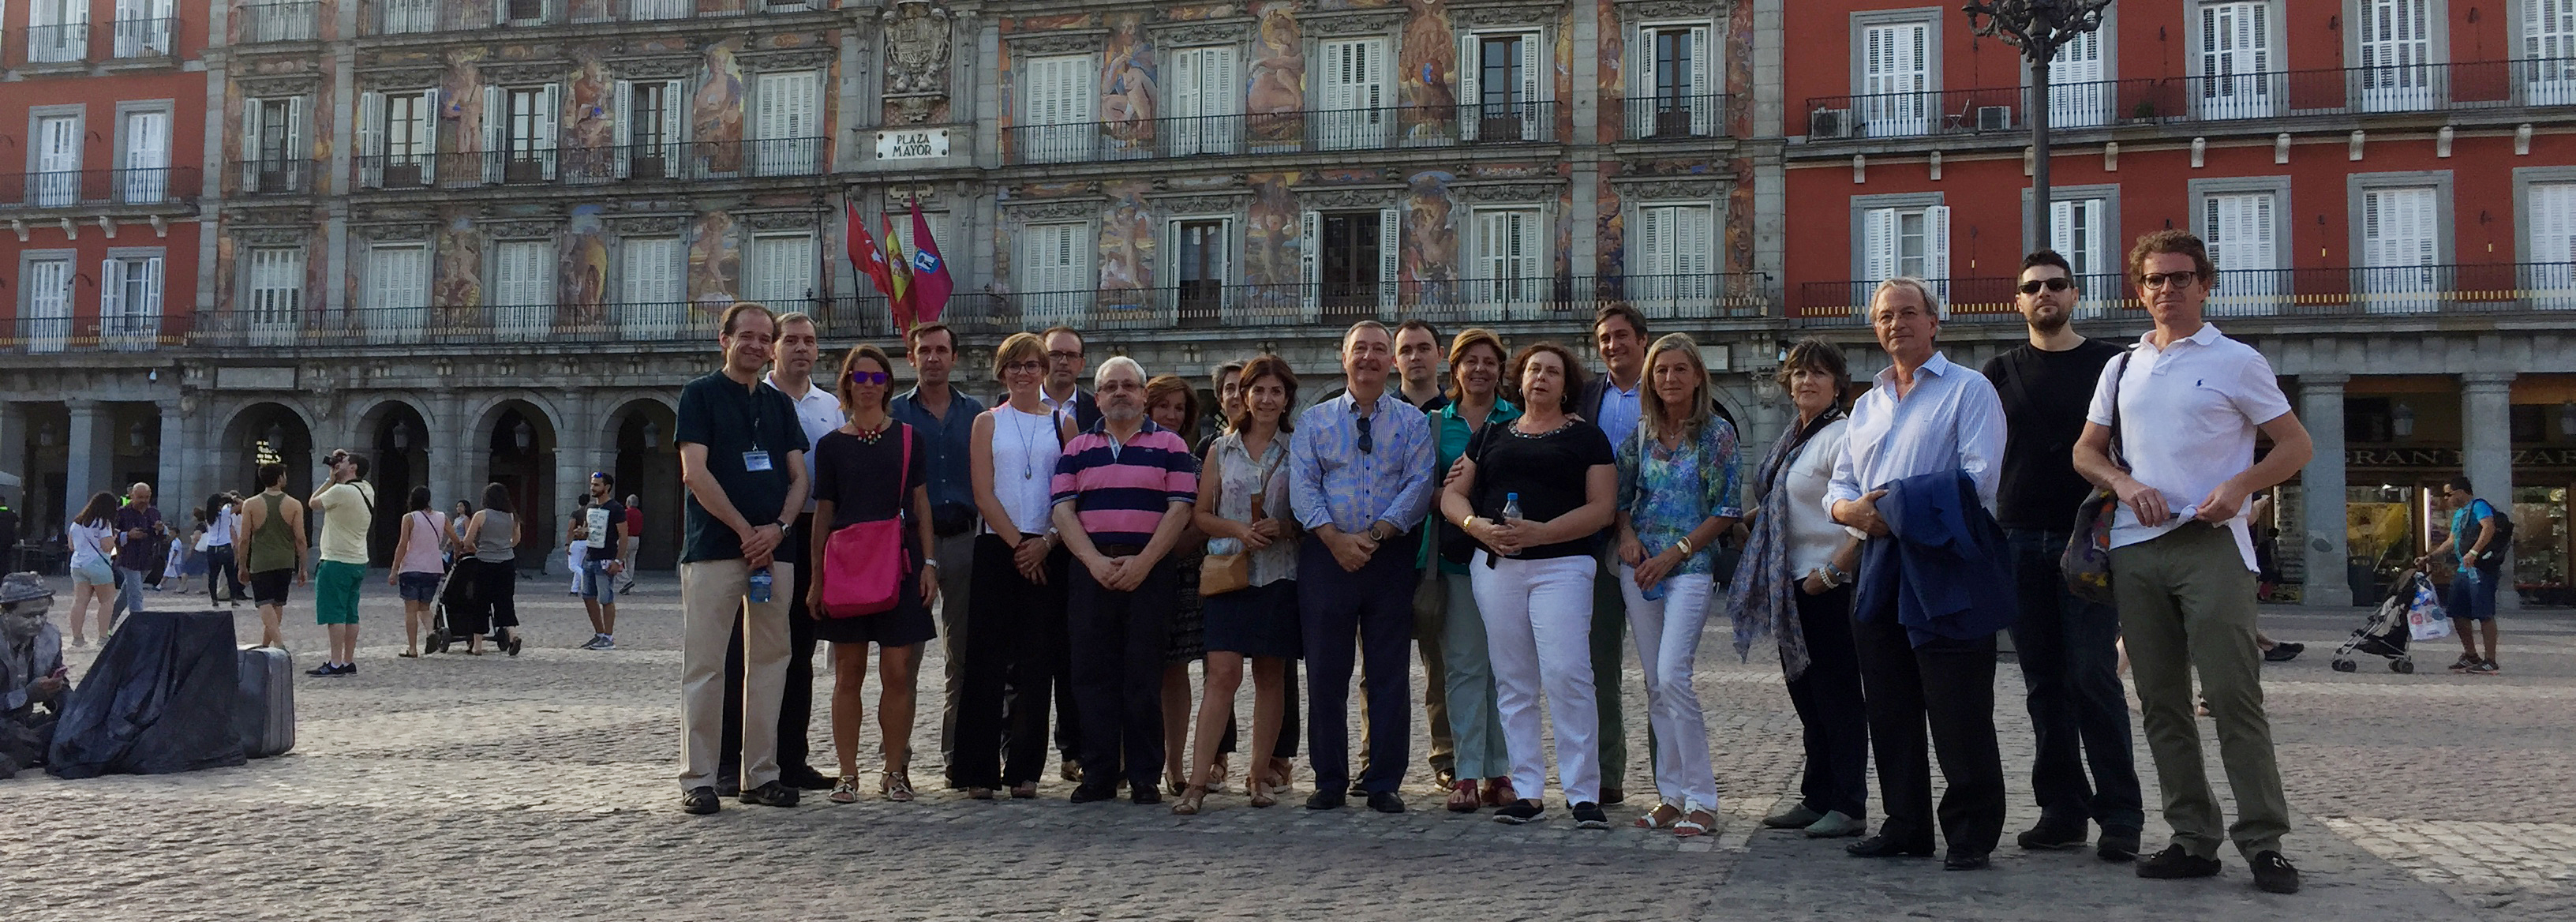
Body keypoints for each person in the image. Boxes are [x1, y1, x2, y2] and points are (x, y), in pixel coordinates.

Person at [2074, 230, 2315, 894]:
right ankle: (2192, 838)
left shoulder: (2237, 360)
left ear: (2204, 285)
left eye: (2181, 278)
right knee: (2160, 701)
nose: (2167, 290)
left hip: (2213, 546)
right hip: (2135, 546)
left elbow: (2296, 446)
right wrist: (2124, 485)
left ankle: (2264, 841)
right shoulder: (2122, 367)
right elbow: (2086, 452)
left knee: (2234, 696)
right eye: (2155, 279)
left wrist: (2240, 486)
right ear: (2139, 288)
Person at [1826, 277, 2012, 871]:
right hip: (1879, 562)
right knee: (1889, 705)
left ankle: (1971, 833)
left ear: (1935, 322)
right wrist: (1848, 511)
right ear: (1874, 327)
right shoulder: (1867, 403)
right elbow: (1841, 481)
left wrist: (1892, 510)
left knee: (1958, 709)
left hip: (1947, 560)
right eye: (1886, 315)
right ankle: (1905, 823)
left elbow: (1979, 481)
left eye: (1909, 313)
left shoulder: (1970, 390)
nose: (1897, 323)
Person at [1979, 249, 2147, 860]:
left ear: (2075, 295)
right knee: (2042, 683)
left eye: (2056, 285)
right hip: (2019, 535)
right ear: (2018, 301)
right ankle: (2062, 809)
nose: (2044, 294)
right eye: (2033, 287)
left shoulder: (2114, 365)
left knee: (2093, 676)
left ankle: (2122, 815)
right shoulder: (1998, 371)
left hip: (2091, 541)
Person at [1442, 341, 1619, 829]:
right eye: (1534, 370)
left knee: (1568, 674)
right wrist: (1476, 526)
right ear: (1519, 380)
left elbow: (1601, 508)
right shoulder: (1492, 434)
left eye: (1553, 373)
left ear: (1567, 386)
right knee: (1513, 681)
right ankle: (1527, 791)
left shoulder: (1588, 439)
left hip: (1563, 567)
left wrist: (1542, 532)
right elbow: (1453, 496)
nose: (1541, 378)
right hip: (1497, 567)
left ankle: (1583, 793)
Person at [1290, 321, 1436, 814]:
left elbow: (1419, 484)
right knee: (1327, 673)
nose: (1369, 358)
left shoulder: (1413, 423)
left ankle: (1384, 781)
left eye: (1379, 350)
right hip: (1326, 557)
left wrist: (1375, 536)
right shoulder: (1314, 422)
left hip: (1388, 557)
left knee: (1390, 672)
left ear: (1391, 361)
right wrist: (1334, 538)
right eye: (1360, 349)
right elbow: (1303, 487)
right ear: (1343, 356)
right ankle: (1329, 778)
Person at [1729, 338, 1871, 840]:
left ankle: (1849, 802)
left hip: (1828, 583)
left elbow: (1863, 512)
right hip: (1790, 584)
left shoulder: (1843, 434)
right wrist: (1745, 522)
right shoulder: (1795, 436)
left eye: (1818, 373)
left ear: (1838, 384)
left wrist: (1832, 571)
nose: (1806, 381)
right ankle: (1818, 795)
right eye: (1798, 373)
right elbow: (1783, 501)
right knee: (1807, 695)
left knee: (1837, 696)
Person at [676, 302, 811, 815]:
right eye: (747, 336)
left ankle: (761, 774)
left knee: (772, 663)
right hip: (714, 549)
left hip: (776, 553)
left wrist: (777, 530)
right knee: (707, 666)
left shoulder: (779, 407)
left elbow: (800, 477)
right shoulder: (700, 396)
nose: (756, 345)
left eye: (764, 337)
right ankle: (699, 778)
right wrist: (744, 531)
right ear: (725, 340)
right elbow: (695, 471)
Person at [1051, 356, 1198, 805]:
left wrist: (1145, 562)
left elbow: (1180, 509)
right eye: (1110, 386)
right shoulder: (1076, 450)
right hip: (1090, 570)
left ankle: (1144, 776)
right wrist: (1094, 561)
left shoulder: (1171, 446)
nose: (1119, 393)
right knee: (1091, 676)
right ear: (1097, 398)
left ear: (1142, 396)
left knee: (1143, 675)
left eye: (1128, 386)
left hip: (1150, 573)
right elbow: (1061, 510)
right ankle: (1098, 774)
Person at [1610, 333, 1742, 836]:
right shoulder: (1639, 437)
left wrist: (1673, 554)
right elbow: (1623, 498)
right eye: (1660, 371)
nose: (1669, 379)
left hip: (1688, 565)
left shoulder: (1716, 436)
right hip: (1639, 566)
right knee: (1652, 683)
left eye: (1679, 370)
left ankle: (1703, 799)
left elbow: (1726, 509)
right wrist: (1625, 537)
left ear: (1697, 378)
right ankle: (1671, 794)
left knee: (1673, 676)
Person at [807, 343, 940, 804]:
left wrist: (929, 563)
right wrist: (816, 579)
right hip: (847, 566)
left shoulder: (908, 438)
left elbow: (921, 505)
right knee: (848, 673)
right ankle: (847, 773)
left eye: (877, 378)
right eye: (859, 378)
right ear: (847, 384)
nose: (868, 386)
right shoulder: (830, 446)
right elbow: (824, 513)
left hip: (900, 564)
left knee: (899, 672)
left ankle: (894, 770)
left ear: (888, 384)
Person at [718, 309, 841, 795]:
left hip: (809, 533)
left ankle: (791, 758)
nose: (801, 349)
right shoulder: (756, 399)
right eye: (791, 340)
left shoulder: (830, 407)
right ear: (775, 347)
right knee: (740, 653)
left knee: (798, 650)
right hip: (754, 532)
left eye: (809, 341)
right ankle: (733, 760)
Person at [1175, 354, 1302, 815]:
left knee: (1271, 677)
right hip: (1229, 573)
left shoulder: (1298, 446)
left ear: (1287, 399)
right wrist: (1238, 531)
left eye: (1276, 392)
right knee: (1222, 675)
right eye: (1258, 390)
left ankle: (1259, 774)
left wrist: (1282, 528)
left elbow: (1308, 514)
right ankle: (1196, 780)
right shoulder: (1221, 449)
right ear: (1243, 395)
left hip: (1279, 573)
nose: (1266, 399)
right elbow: (1201, 514)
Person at [958, 332, 1080, 800]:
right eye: (1015, 365)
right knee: (985, 660)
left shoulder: (1063, 426)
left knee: (1037, 662)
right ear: (1002, 371)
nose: (1024, 373)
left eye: (1032, 365)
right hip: (998, 546)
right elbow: (983, 493)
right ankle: (978, 769)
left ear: (1045, 371)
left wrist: (1045, 543)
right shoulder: (987, 422)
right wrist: (1018, 546)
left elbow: (1068, 493)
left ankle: (1025, 768)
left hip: (1048, 547)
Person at [889, 320, 986, 788]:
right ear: (911, 358)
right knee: (904, 658)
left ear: (954, 357)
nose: (933, 358)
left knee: (963, 656)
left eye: (941, 350)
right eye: (924, 350)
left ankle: (958, 757)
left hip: (966, 539)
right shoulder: (894, 414)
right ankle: (898, 759)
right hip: (910, 546)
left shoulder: (977, 414)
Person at [1426, 328, 1518, 812]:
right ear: (1455, 369)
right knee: (1463, 666)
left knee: (1503, 670)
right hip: (1455, 559)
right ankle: (1465, 772)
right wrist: (1448, 496)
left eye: (1490, 361)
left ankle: (1499, 769)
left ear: (1501, 371)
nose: (1480, 369)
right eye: (1471, 361)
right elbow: (1419, 490)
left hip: (1507, 560)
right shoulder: (1435, 425)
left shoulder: (1518, 420)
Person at [1574, 303, 1649, 802]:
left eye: (1621, 336)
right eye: (1604, 339)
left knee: (1664, 671)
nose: (1613, 346)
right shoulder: (1583, 396)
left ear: (1642, 339)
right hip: (1597, 539)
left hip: (1659, 540)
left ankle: (1674, 781)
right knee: (1598, 664)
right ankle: (1608, 776)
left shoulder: (1670, 385)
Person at [1144, 374, 1225, 793]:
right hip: (1136, 572)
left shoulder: (1196, 465)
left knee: (1175, 671)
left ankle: (1175, 765)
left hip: (1184, 574)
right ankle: (1136, 760)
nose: (1172, 416)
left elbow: (1204, 517)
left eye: (1179, 409)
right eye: (1164, 407)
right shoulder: (1130, 456)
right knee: (1139, 671)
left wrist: (1167, 551)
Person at [1390, 318, 1455, 792]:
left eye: (1424, 348)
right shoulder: (1380, 414)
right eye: (1406, 349)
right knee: (1380, 666)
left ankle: (1447, 756)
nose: (1415, 357)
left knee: (1443, 664)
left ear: (1440, 356)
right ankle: (1377, 759)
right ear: (1396, 360)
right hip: (1388, 553)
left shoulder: (1456, 416)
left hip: (1441, 553)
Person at [1037, 324, 1098, 781]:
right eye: (1053, 354)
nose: (1061, 362)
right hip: (1025, 544)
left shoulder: (1098, 411)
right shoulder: (1012, 407)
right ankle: (1020, 750)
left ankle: (1075, 747)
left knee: (1080, 650)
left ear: (1081, 363)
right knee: (1032, 653)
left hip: (1082, 546)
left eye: (1070, 355)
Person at [2417, 476, 2505, 674]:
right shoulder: (2459, 514)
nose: (2446, 498)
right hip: (2463, 570)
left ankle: (2490, 660)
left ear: (2460, 493)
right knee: (2457, 612)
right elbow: (2452, 540)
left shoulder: (2479, 506)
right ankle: (2471, 655)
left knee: (2484, 614)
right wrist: (2430, 557)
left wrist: (2474, 552)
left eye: (2448, 494)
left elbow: (2489, 527)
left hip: (2481, 569)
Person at [306, 451, 376, 677]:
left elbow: (313, 503)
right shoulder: (367, 489)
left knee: (334, 614)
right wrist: (341, 469)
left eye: (344, 461)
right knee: (350, 613)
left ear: (353, 467)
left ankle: (335, 663)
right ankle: (348, 661)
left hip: (336, 559)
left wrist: (329, 479)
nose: (338, 464)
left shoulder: (339, 491)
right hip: (358, 559)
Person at [0, 572, 67, 779]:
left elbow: (60, 688)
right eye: (29, 616)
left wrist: (72, 709)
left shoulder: (50, 637)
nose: (38, 622)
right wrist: (28, 695)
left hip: (22, 722)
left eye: (43, 613)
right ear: (5, 612)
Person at [238, 463, 308, 650]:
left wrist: (242, 565)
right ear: (279, 478)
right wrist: (303, 566)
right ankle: (266, 645)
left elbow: (244, 539)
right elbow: (300, 538)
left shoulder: (251, 504)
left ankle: (278, 643)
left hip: (262, 560)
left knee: (264, 602)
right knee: (277, 603)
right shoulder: (294, 504)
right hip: (285, 560)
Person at [458, 482, 523, 657]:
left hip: (485, 562)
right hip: (507, 563)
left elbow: (468, 539)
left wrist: (475, 548)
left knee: (481, 602)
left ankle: (477, 645)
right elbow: (516, 540)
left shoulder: (481, 515)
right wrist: (504, 546)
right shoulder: (511, 516)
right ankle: (513, 634)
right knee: (505, 601)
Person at [388, 485, 447, 658]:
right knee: (425, 607)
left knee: (411, 610)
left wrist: (394, 570)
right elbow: (455, 538)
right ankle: (430, 632)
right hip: (433, 569)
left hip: (412, 568)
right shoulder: (441, 517)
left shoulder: (409, 518)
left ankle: (412, 649)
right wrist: (456, 548)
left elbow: (402, 545)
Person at [575, 473, 628, 650]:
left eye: (597, 485)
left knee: (606, 598)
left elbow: (624, 536)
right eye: (592, 484)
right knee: (588, 597)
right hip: (589, 558)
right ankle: (599, 634)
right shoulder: (590, 507)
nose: (593, 488)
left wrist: (618, 560)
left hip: (606, 559)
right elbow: (588, 529)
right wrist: (582, 533)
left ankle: (609, 637)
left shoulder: (616, 508)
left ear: (607, 487)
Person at [63, 493, 119, 647]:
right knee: (107, 601)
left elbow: (71, 546)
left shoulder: (76, 523)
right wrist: (114, 540)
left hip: (78, 564)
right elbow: (106, 546)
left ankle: (77, 637)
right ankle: (102, 637)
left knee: (80, 601)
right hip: (98, 564)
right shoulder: (103, 523)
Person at [109, 482, 167, 624]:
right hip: (128, 559)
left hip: (147, 560)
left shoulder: (154, 513)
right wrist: (127, 535)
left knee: (125, 595)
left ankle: (108, 623)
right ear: (131, 496)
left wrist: (160, 530)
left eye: (147, 497)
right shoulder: (121, 513)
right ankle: (138, 627)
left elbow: (160, 537)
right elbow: (110, 536)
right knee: (136, 595)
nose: (144, 501)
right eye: (140, 497)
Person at [204, 493, 244, 606]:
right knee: (230, 574)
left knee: (213, 575)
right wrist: (231, 497)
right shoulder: (225, 513)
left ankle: (214, 600)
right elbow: (242, 504)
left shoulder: (208, 517)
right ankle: (233, 599)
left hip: (212, 547)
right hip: (225, 546)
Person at [620, 493, 643, 593]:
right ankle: (627, 588)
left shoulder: (626, 513)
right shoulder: (640, 513)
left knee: (618, 561)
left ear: (628, 503)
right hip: (636, 538)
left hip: (627, 538)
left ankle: (626, 581)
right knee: (631, 563)